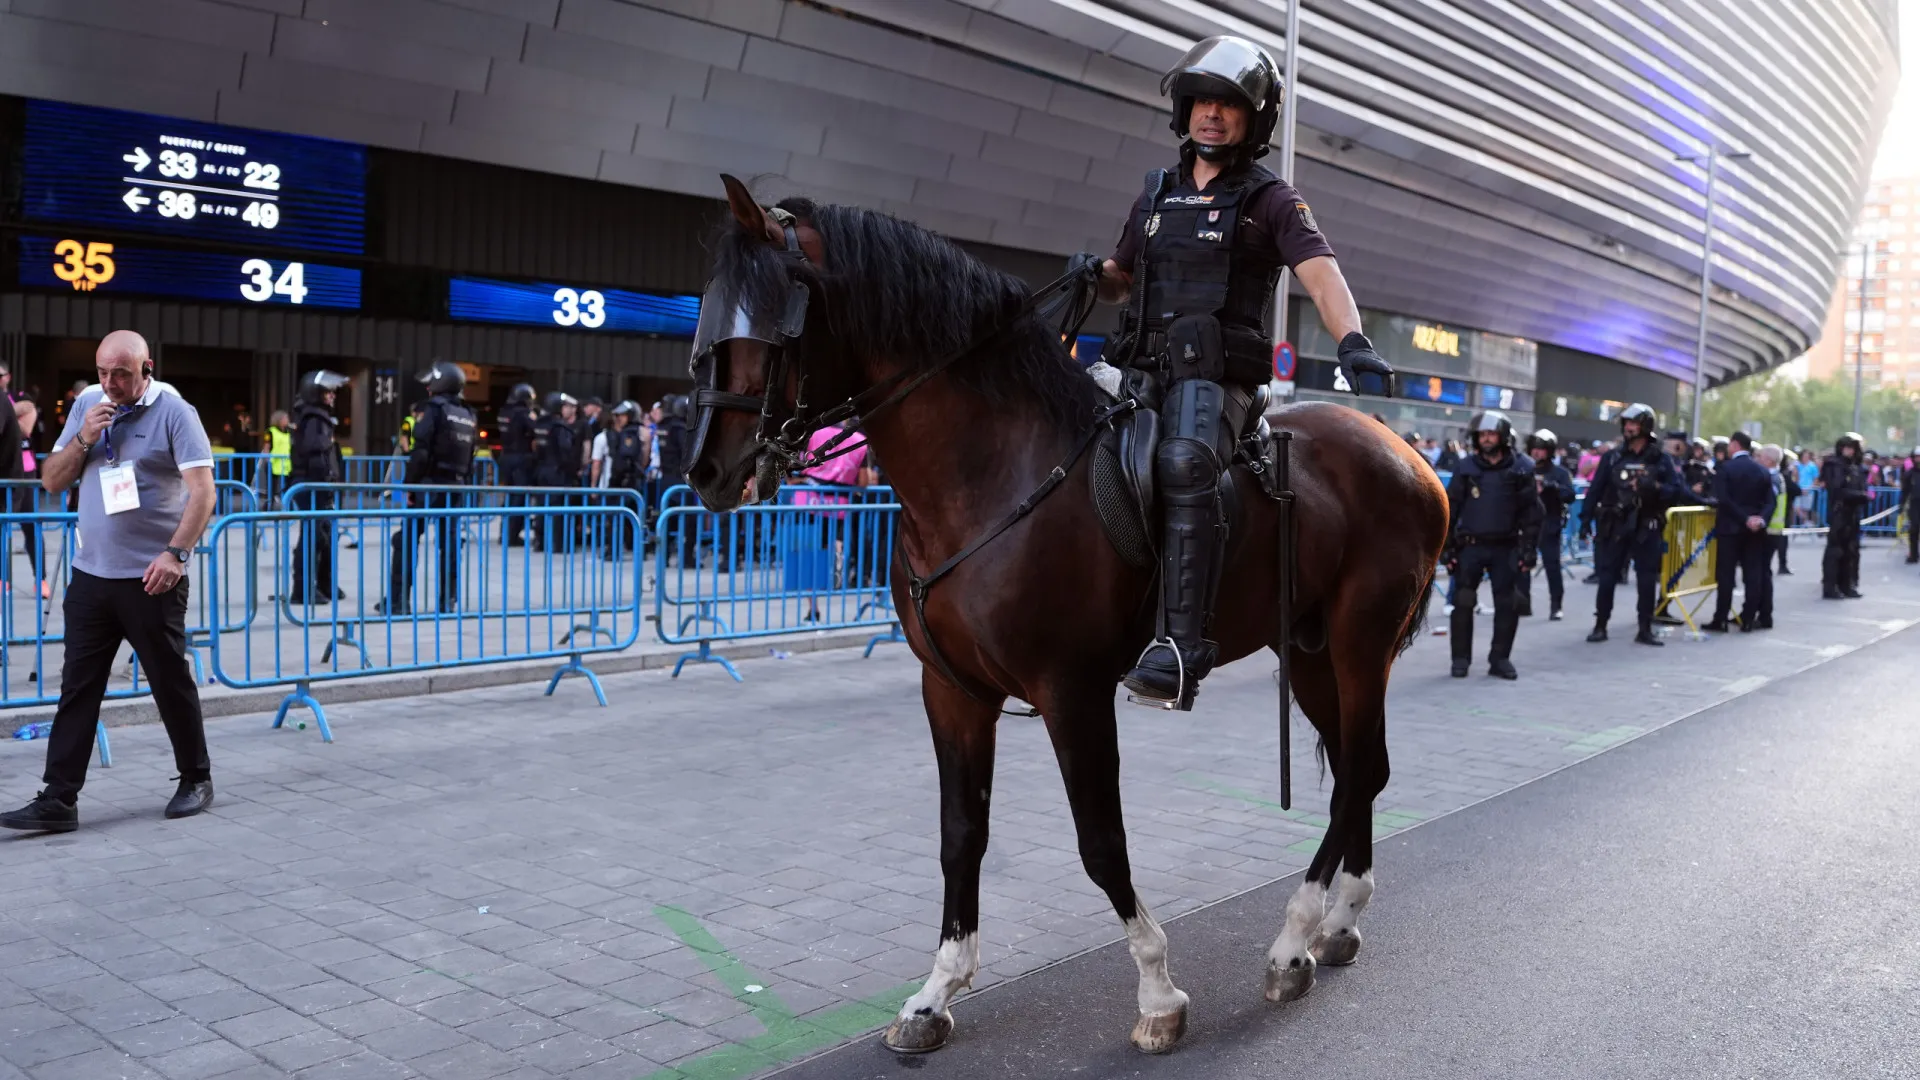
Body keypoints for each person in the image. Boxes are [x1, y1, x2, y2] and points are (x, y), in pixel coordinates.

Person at [1089, 34, 1395, 708]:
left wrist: (1352, 341)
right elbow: (1122, 280)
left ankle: (1181, 645)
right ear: (1183, 110)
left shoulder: (1271, 199)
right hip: (1136, 368)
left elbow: (1321, 270)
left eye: (1228, 105)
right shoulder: (1155, 194)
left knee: (1185, 463)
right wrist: (1095, 278)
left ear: (1252, 119)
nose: (1211, 114)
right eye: (1201, 101)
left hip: (1216, 379)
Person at [1, 331, 217, 833]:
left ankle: (196, 777)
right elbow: (52, 481)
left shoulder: (175, 412)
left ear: (147, 368)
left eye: (121, 373)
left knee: (169, 680)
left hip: (151, 578)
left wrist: (175, 554)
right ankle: (59, 798)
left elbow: (203, 494)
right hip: (91, 575)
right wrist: (83, 438)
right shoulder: (88, 406)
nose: (110, 383)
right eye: (102, 372)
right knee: (78, 687)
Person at [1441, 411, 1540, 679]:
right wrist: (1446, 549)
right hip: (1470, 546)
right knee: (1462, 602)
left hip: (1506, 547)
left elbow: (1531, 513)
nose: (1485, 439)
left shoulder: (1521, 468)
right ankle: (1460, 659)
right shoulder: (1465, 468)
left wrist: (1529, 548)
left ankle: (1500, 659)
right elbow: (1451, 508)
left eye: (1491, 434)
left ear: (1504, 437)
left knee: (1508, 605)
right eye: (1481, 434)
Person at [1579, 403, 1682, 646]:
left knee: (1646, 579)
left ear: (1645, 426)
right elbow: (1596, 489)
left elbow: (1676, 491)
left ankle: (1644, 628)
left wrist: (1654, 487)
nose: (1629, 428)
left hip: (1646, 525)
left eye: (1634, 424)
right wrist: (1585, 520)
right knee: (1607, 577)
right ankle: (1600, 625)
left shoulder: (1660, 459)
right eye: (1626, 423)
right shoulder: (1612, 456)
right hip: (1615, 524)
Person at [381, 362, 475, 615]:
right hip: (455, 487)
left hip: (429, 485)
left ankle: (398, 602)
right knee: (451, 544)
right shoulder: (467, 414)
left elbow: (420, 451)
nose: (427, 388)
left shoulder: (433, 410)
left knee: (407, 541)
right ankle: (448, 602)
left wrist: (410, 485)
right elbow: (471, 457)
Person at [286, 370, 347, 604]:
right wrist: (326, 481)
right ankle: (302, 590)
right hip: (312, 487)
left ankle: (324, 584)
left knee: (323, 536)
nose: (332, 396)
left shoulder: (317, 417)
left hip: (317, 486)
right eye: (327, 392)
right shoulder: (314, 419)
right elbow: (315, 453)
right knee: (312, 537)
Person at [1705, 432, 1772, 633]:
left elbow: (1724, 500)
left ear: (1734, 445)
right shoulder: (1762, 470)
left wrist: (1744, 519)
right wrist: (1759, 519)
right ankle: (1749, 618)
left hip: (1730, 529)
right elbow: (1771, 501)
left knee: (1726, 575)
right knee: (1752, 574)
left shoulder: (1726, 469)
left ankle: (1721, 618)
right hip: (1755, 531)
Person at [1523, 428, 1575, 621]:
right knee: (1522, 563)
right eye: (1534, 448)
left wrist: (1550, 487)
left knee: (1552, 565)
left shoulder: (1559, 473)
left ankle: (1556, 605)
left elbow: (1569, 495)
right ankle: (1523, 603)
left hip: (1549, 523)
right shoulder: (1524, 468)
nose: (1537, 452)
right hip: (1526, 523)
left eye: (1542, 449)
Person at [1821, 432, 1869, 599]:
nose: (1850, 451)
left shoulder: (1854, 467)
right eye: (1847, 448)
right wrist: (1860, 496)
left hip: (1852, 513)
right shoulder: (1834, 465)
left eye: (1853, 448)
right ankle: (1831, 586)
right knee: (1836, 551)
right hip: (1840, 512)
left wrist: (1861, 496)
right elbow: (1837, 490)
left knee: (1851, 551)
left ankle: (1846, 585)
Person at [602, 401, 649, 559]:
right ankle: (636, 549)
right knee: (629, 519)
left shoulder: (629, 434)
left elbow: (625, 460)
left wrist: (616, 479)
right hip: (627, 481)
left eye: (621, 415)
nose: (618, 419)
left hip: (625, 481)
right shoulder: (629, 432)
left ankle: (614, 550)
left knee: (617, 517)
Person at [532, 391, 579, 549]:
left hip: (542, 470)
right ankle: (557, 543)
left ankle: (540, 541)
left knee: (541, 506)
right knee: (557, 509)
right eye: (566, 406)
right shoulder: (560, 427)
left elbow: (536, 448)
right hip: (557, 473)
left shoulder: (540, 424)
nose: (569, 410)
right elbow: (566, 453)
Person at [498, 383, 537, 546]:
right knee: (518, 498)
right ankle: (512, 535)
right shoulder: (523, 414)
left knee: (509, 497)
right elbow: (535, 428)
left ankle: (504, 532)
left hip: (505, 457)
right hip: (520, 458)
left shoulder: (503, 412)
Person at [264, 409, 293, 509]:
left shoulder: (289, 432)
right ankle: (269, 505)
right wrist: (267, 460)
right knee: (272, 487)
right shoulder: (271, 431)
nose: (287, 420)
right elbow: (267, 447)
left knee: (288, 487)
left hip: (286, 464)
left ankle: (289, 506)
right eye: (285, 418)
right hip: (274, 463)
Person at [1902, 445, 1920, 565]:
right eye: (1917, 457)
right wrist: (1901, 505)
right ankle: (1913, 554)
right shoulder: (1909, 474)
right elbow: (1905, 491)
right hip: (1914, 504)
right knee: (1913, 529)